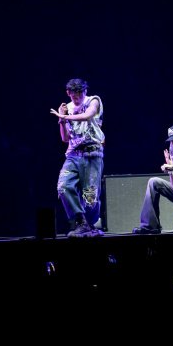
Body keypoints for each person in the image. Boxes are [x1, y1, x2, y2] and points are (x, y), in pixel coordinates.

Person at [50, 78, 105, 238]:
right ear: (68, 93)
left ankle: (91, 224)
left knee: (90, 196)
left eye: (80, 93)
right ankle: (81, 222)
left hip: (92, 153)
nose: (77, 97)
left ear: (85, 91)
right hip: (73, 154)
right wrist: (61, 119)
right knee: (63, 186)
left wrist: (65, 117)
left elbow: (88, 115)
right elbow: (65, 138)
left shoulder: (93, 100)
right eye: (74, 95)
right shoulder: (67, 108)